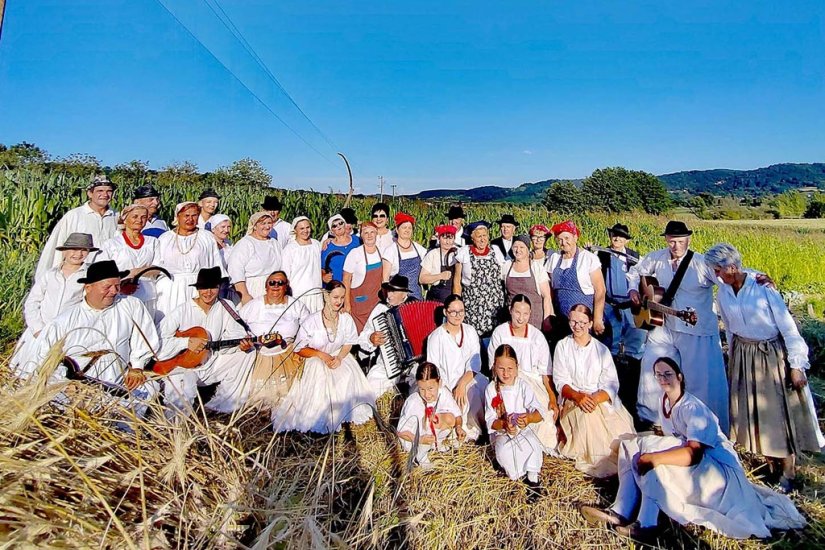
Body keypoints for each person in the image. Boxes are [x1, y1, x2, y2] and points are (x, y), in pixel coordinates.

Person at [581, 357, 807, 540]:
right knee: (631, 445)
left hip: (715, 466)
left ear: (680, 376)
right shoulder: (665, 401)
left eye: (668, 374)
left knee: (649, 453)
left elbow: (694, 453)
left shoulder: (692, 408)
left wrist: (655, 458)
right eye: (659, 375)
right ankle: (620, 510)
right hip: (692, 459)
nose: (663, 379)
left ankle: (646, 523)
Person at [705, 243, 824, 491]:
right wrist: (732, 357)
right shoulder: (724, 292)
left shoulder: (761, 288)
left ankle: (789, 471)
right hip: (743, 356)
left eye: (718, 270)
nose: (715, 276)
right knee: (751, 414)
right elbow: (728, 327)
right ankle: (771, 466)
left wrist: (796, 365)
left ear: (732, 267)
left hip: (769, 356)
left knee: (776, 415)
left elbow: (788, 327)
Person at [628, 221, 737, 431]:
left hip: (695, 329)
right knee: (653, 367)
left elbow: (729, 276)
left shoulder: (701, 263)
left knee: (699, 379)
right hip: (663, 324)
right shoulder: (655, 257)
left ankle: (705, 425)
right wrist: (634, 290)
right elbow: (635, 272)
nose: (675, 246)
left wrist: (755, 278)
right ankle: (653, 419)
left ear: (688, 240)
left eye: (679, 241)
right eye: (671, 241)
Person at [18, 260, 160, 417]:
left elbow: (145, 337)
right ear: (88, 287)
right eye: (107, 287)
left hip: (120, 383)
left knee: (150, 388)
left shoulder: (131, 305)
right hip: (79, 388)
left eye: (117, 286)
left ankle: (125, 431)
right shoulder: (65, 320)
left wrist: (137, 367)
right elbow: (43, 358)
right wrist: (65, 384)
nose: (114, 291)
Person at [271, 281, 375, 434]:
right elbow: (299, 348)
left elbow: (349, 343)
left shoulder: (346, 319)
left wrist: (339, 358)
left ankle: (342, 415)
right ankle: (318, 417)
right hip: (316, 358)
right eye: (335, 297)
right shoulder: (312, 321)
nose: (338, 302)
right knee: (319, 375)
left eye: (341, 298)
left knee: (346, 374)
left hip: (338, 356)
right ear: (326, 296)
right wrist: (320, 355)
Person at [158, 267, 257, 416]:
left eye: (213, 287)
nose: (208, 292)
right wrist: (185, 343)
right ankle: (176, 426)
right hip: (184, 366)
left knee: (248, 353)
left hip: (212, 361)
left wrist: (241, 346)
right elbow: (158, 342)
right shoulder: (182, 310)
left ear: (219, 287)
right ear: (197, 288)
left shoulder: (226, 306)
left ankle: (222, 404)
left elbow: (236, 333)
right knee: (182, 393)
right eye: (204, 287)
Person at [554, 304, 636, 477]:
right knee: (590, 426)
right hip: (574, 400)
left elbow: (611, 383)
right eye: (573, 321)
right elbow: (561, 381)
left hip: (599, 399)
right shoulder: (562, 346)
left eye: (582, 322)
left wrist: (595, 399)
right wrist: (578, 397)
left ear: (590, 323)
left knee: (619, 434)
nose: (578, 326)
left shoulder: (601, 350)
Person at [10, 233, 95, 375]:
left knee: (57, 372)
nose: (78, 254)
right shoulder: (50, 274)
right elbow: (32, 302)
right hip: (39, 331)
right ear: (65, 251)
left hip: (66, 333)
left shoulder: (88, 276)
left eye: (83, 250)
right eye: (74, 249)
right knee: (27, 369)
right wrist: (37, 329)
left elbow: (86, 306)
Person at [488, 295, 558, 453]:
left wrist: (552, 398)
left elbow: (545, 373)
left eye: (525, 314)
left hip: (533, 383)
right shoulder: (500, 333)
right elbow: (494, 368)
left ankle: (538, 445)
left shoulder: (537, 336)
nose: (521, 318)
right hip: (506, 381)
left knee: (542, 415)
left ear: (531, 313)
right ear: (510, 311)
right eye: (517, 312)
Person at [239, 271, 310, 408]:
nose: (275, 286)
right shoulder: (253, 305)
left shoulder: (296, 305)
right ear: (266, 286)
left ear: (286, 286)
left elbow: (309, 328)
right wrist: (245, 342)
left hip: (288, 353)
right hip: (259, 354)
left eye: (280, 283)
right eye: (272, 283)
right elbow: (237, 328)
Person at [485, 344, 545, 502]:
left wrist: (529, 418)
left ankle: (533, 479)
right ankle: (517, 473)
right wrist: (504, 425)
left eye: (510, 369)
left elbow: (539, 412)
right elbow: (490, 421)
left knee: (533, 444)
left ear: (517, 367)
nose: (506, 373)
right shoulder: (491, 389)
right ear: (494, 367)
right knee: (504, 450)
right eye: (501, 369)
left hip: (523, 431)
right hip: (502, 433)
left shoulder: (522, 386)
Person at [596, 223, 646, 413]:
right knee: (611, 346)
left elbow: (643, 279)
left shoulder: (634, 257)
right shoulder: (601, 255)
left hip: (630, 307)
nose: (616, 239)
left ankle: (632, 398)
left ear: (626, 240)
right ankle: (612, 393)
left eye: (620, 236)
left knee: (635, 346)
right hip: (610, 306)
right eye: (614, 236)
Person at [426, 294, 488, 441]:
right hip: (445, 383)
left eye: (461, 311)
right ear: (445, 312)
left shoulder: (470, 331)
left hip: (468, 377)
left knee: (480, 386)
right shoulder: (436, 337)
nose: (457, 315)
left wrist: (462, 384)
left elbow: (474, 363)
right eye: (453, 312)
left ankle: (481, 429)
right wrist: (449, 388)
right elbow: (434, 369)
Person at [36, 175, 117, 277]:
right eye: (100, 191)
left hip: (106, 274)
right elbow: (58, 243)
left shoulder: (116, 217)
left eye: (109, 191)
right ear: (90, 193)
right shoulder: (74, 216)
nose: (105, 195)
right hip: (78, 274)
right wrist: (55, 274)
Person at [154, 202, 224, 321]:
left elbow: (215, 264)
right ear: (178, 217)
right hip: (171, 288)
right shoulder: (165, 238)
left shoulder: (206, 237)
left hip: (197, 287)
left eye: (194, 215)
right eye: (186, 215)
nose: (190, 219)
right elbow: (156, 266)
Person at [545, 220, 607, 350]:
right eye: (560, 239)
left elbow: (600, 290)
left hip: (584, 319)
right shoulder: (554, 258)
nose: (564, 242)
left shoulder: (588, 258)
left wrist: (597, 320)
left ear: (575, 237)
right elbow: (549, 289)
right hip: (562, 319)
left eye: (567, 238)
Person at [397, 362, 464, 468]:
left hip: (429, 431)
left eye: (431, 389)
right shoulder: (413, 402)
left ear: (439, 383)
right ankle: (420, 456)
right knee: (422, 432)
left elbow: (457, 415)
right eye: (422, 389)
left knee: (450, 418)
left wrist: (459, 427)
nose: (427, 395)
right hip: (414, 438)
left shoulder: (443, 393)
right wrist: (419, 439)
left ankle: (437, 443)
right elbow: (400, 432)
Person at [99, 204, 160, 317]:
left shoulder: (152, 242)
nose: (139, 220)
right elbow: (103, 272)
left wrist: (135, 272)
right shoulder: (111, 244)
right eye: (135, 216)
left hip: (147, 294)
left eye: (143, 217)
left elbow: (158, 268)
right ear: (125, 219)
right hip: (121, 293)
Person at [359, 274, 413, 398]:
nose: (389, 295)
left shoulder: (414, 305)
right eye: (389, 290)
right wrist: (370, 338)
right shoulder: (380, 309)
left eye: (393, 291)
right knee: (369, 388)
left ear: (404, 294)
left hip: (413, 366)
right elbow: (363, 335)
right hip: (386, 363)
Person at [453, 221, 505, 337]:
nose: (482, 239)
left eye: (485, 235)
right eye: (479, 236)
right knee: (473, 338)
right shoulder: (464, 252)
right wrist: (456, 303)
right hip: (472, 305)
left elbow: (504, 274)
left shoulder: (495, 251)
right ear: (472, 238)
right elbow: (457, 281)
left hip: (494, 305)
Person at [227, 212, 282, 305]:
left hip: (273, 289)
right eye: (263, 223)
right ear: (255, 226)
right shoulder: (245, 243)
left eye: (269, 223)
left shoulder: (274, 243)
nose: (267, 226)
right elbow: (235, 269)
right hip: (253, 289)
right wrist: (244, 295)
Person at [501, 235, 553, 330]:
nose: (518, 250)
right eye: (515, 247)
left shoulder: (536, 268)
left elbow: (546, 296)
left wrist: (546, 320)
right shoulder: (507, 266)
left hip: (535, 318)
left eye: (522, 247)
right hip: (514, 318)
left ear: (528, 249)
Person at [343, 222, 387, 332]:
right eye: (365, 233)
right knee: (359, 336)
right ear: (361, 235)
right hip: (359, 304)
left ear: (377, 233)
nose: (369, 235)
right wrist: (347, 304)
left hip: (377, 302)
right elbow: (346, 280)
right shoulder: (355, 254)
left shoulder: (382, 252)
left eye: (372, 232)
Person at [281, 216, 324, 313]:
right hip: (299, 293)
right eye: (301, 228)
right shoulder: (290, 248)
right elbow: (285, 272)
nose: (305, 231)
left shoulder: (316, 244)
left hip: (316, 292)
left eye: (307, 227)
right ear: (295, 230)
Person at [382, 212, 426, 300]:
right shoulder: (390, 251)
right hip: (397, 298)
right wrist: (388, 299)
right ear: (397, 230)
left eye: (410, 228)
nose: (407, 230)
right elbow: (385, 280)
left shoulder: (419, 249)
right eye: (404, 227)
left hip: (416, 296)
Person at [419, 224, 458, 303]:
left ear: (454, 239)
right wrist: (440, 276)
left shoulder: (458, 254)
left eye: (450, 238)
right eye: (444, 238)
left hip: (453, 297)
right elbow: (422, 279)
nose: (447, 242)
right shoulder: (433, 254)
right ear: (439, 239)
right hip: (436, 298)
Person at [321, 213, 361, 284]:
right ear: (331, 231)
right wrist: (323, 276)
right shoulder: (327, 247)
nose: (338, 226)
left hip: (356, 285)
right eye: (334, 226)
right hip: (337, 287)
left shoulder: (357, 240)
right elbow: (322, 268)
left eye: (340, 223)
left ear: (345, 224)